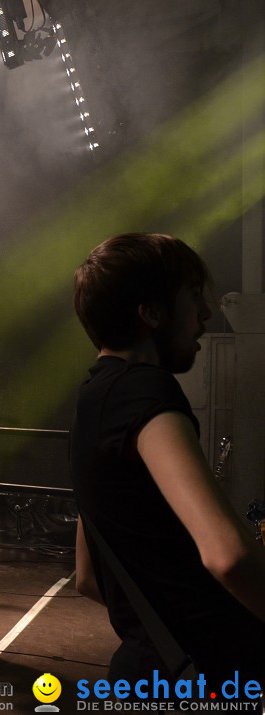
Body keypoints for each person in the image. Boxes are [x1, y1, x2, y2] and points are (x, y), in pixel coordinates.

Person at [70, 233, 265, 693]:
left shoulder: (91, 401)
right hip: (208, 679)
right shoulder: (145, 391)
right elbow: (229, 555)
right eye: (194, 297)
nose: (205, 314)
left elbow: (86, 578)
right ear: (151, 314)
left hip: (146, 675)